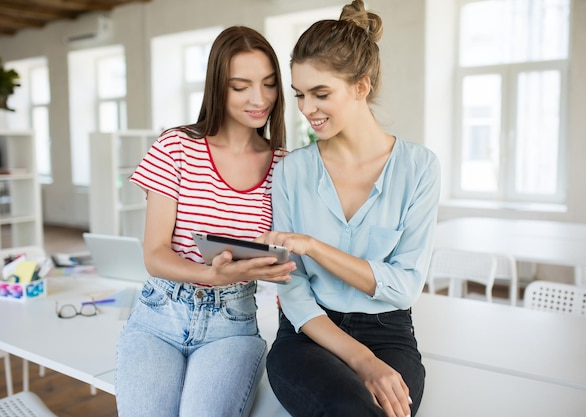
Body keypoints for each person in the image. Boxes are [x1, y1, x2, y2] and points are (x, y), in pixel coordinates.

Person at [256, 2, 440, 417]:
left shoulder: (419, 167)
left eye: (321, 94)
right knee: (347, 408)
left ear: (361, 86)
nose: (306, 108)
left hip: (389, 333)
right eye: (300, 94)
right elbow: (292, 285)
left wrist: (315, 247)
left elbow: (403, 284)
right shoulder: (291, 171)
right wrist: (363, 362)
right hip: (309, 334)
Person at [115, 26, 295, 417]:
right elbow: (155, 254)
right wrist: (211, 275)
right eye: (241, 86)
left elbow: (284, 249)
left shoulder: (285, 165)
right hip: (159, 313)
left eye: (268, 84)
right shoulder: (175, 147)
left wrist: (269, 267)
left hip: (232, 324)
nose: (259, 99)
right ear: (217, 87)